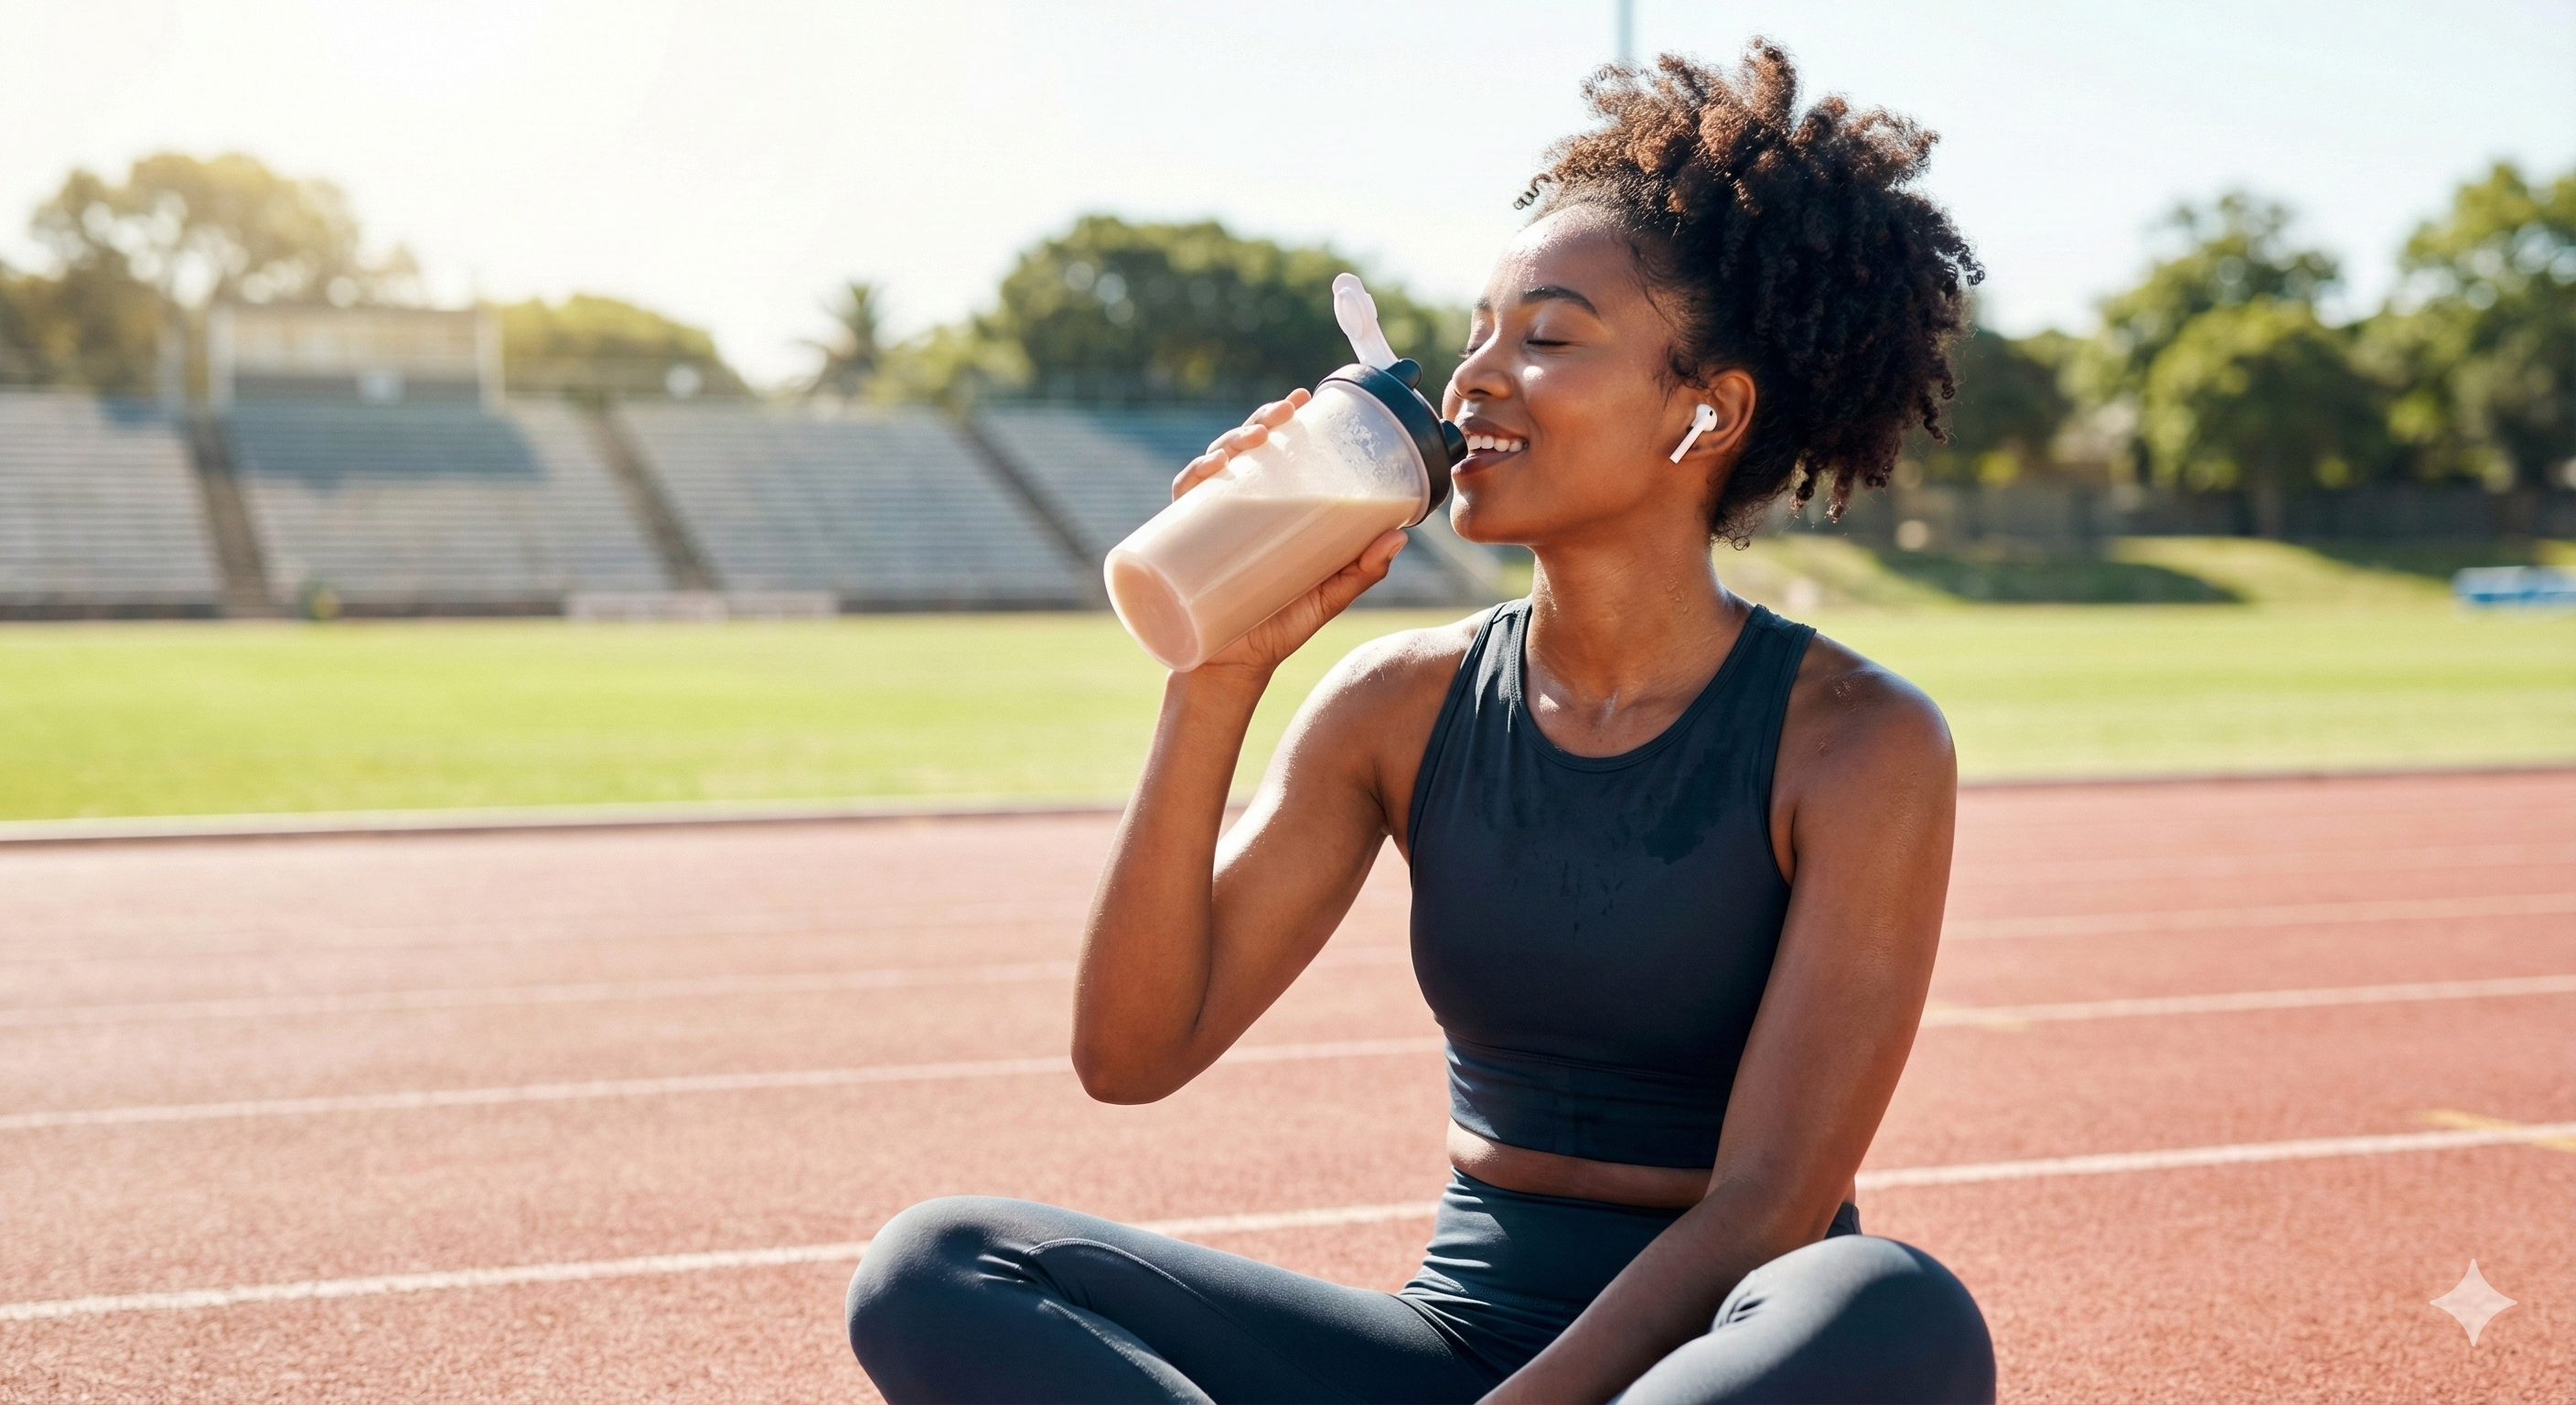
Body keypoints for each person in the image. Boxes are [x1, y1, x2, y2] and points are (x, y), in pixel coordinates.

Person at [849, 41, 1996, 1405]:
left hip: (1721, 1362)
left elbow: (1764, 1208)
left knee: (1885, 1302)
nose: (1473, 384)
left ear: (1709, 412)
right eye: (1475, 337)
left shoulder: (1859, 743)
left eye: (1549, 338)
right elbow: (1131, 1051)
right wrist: (1213, 672)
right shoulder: (1397, 705)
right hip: (1454, 1349)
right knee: (941, 1264)